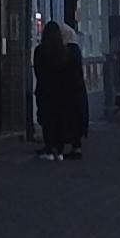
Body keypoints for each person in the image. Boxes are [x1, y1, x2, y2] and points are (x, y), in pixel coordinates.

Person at [34, 18, 89, 162]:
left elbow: (39, 72)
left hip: (47, 92)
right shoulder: (69, 52)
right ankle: (70, 147)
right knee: (66, 118)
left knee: (50, 119)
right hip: (67, 93)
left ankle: (52, 147)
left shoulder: (41, 52)